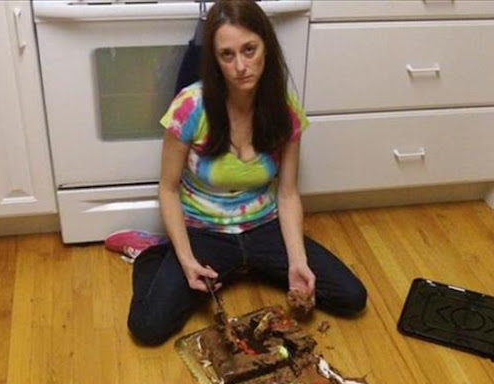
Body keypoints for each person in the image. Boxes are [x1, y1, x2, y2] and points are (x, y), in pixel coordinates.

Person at [125, 0, 367, 345]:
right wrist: (187, 259)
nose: (240, 66)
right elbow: (168, 188)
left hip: (264, 227)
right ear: (215, 60)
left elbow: (287, 193)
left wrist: (297, 261)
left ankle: (251, 266)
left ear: (266, 46)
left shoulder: (285, 110)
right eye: (227, 55)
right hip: (204, 231)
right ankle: (154, 256)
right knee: (148, 327)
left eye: (249, 50)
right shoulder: (190, 106)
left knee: (352, 297)